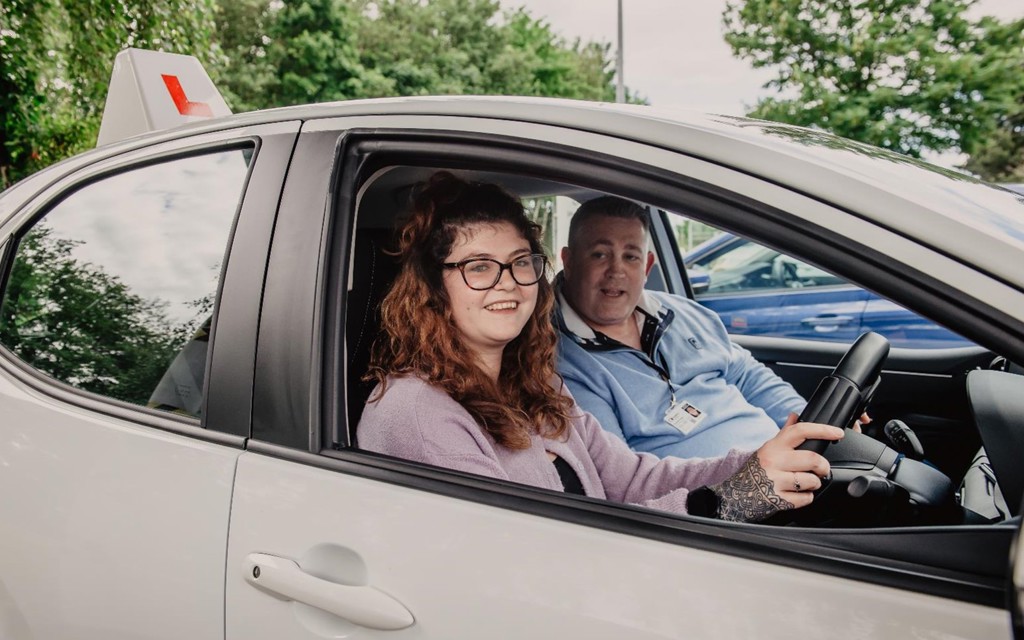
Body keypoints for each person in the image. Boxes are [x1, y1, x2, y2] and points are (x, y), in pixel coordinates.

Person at [357, 171, 842, 521]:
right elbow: (523, 557)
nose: (507, 283)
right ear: (434, 286)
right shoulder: (419, 413)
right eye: (479, 267)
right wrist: (723, 502)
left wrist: (755, 465)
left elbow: (631, 479)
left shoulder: (533, 385)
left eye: (520, 262)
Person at [555, 195, 813, 460]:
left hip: (788, 466)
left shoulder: (683, 313)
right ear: (569, 261)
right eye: (600, 254)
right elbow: (619, 472)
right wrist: (755, 478)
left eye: (631, 256)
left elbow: (749, 376)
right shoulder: (560, 360)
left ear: (647, 266)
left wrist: (809, 425)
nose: (616, 270)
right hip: (728, 493)